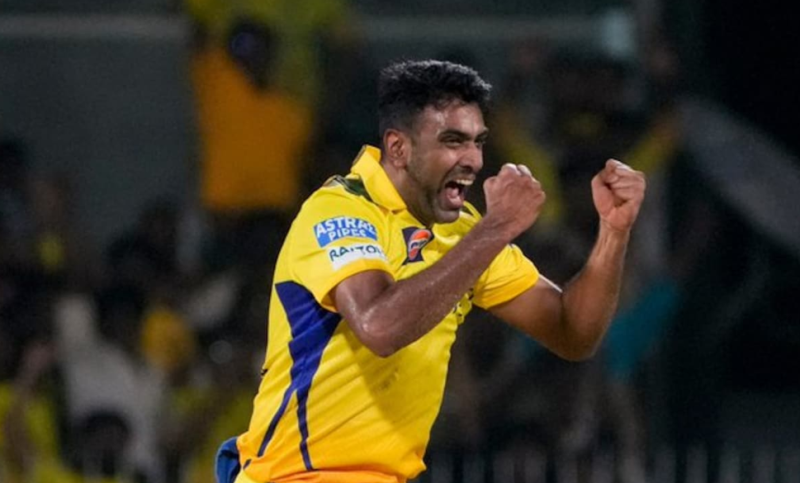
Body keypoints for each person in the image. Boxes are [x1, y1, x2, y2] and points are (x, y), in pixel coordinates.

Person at [221, 59, 646, 483]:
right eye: (452, 141)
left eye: (478, 142)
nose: (473, 160)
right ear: (398, 148)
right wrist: (497, 228)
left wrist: (613, 232)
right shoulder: (340, 210)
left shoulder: (465, 233)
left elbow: (573, 332)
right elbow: (379, 325)